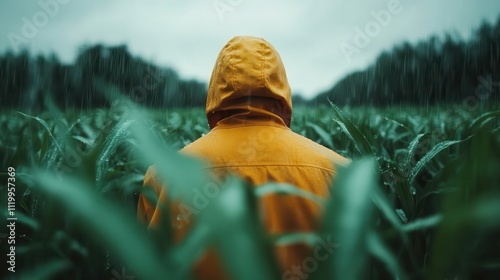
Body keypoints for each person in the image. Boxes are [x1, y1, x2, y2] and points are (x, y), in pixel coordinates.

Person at [137, 36, 349, 279]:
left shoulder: (162, 175)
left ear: (216, 90)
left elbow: (147, 265)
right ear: (281, 90)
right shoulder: (341, 173)